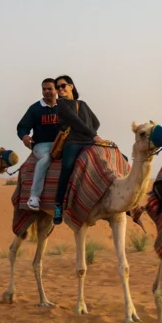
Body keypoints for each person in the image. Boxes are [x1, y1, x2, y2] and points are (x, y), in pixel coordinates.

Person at [53, 75, 104, 225]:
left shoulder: (83, 104)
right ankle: (58, 206)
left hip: (88, 141)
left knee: (117, 159)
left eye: (63, 86)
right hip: (73, 142)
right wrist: (93, 135)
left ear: (71, 86)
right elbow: (75, 121)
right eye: (57, 87)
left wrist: (90, 135)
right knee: (67, 168)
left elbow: (96, 122)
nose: (60, 89)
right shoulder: (61, 104)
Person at [16, 78, 61, 211]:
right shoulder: (35, 108)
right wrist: (24, 136)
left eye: (49, 89)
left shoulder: (64, 107)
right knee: (46, 158)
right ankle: (34, 196)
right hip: (42, 145)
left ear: (56, 90)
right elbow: (22, 127)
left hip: (62, 144)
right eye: (44, 89)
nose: (46, 92)